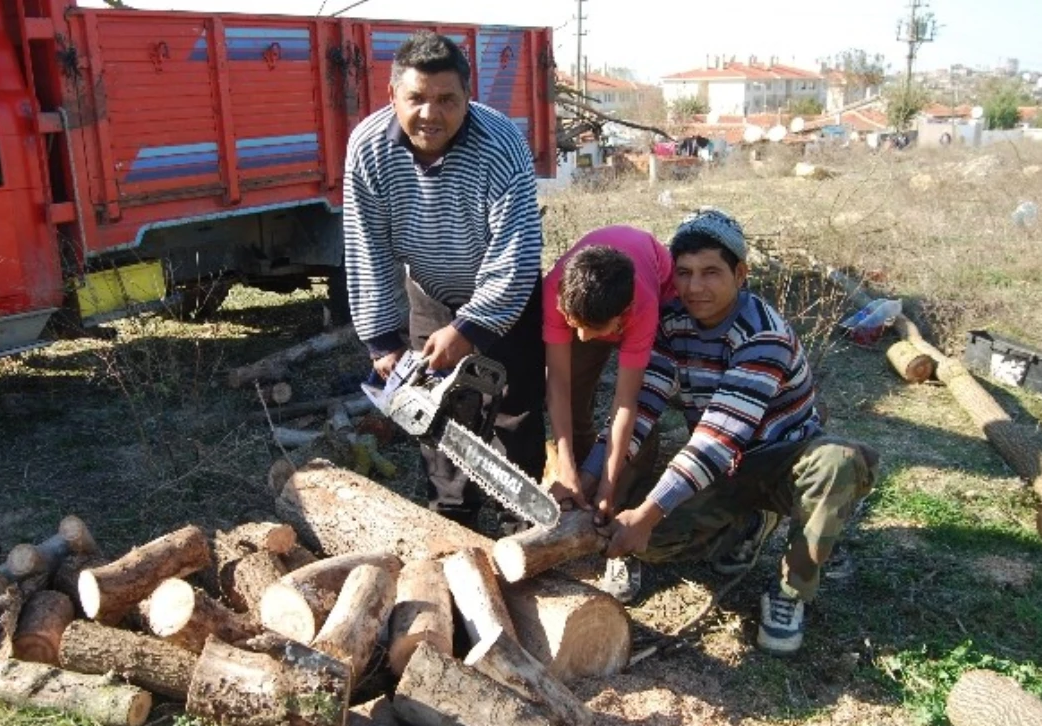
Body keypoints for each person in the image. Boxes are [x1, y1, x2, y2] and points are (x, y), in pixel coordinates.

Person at [590, 208, 879, 655]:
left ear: (740, 273)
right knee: (653, 544)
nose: (694, 287)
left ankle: (790, 590)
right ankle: (746, 525)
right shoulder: (671, 323)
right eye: (683, 273)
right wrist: (594, 475)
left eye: (710, 272)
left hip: (787, 460)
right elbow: (641, 406)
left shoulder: (764, 336)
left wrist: (645, 513)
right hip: (727, 469)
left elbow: (717, 436)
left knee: (836, 463)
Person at [342, 31, 545, 530]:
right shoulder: (367, 148)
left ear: (467, 98)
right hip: (429, 289)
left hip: (503, 294)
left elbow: (516, 251)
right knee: (435, 411)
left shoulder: (501, 142)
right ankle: (453, 521)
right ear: (393, 97)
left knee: (513, 410)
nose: (430, 114)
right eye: (416, 99)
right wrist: (382, 342)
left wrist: (472, 329)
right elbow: (366, 246)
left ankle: (524, 525)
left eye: (446, 100)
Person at [542, 226, 673, 520]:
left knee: (643, 403)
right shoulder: (556, 289)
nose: (582, 337)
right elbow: (559, 385)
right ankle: (578, 475)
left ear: (622, 314)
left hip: (655, 295)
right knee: (574, 393)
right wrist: (566, 466)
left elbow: (626, 403)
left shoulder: (644, 305)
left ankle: (626, 479)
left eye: (594, 330)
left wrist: (608, 487)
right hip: (594, 304)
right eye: (572, 324)